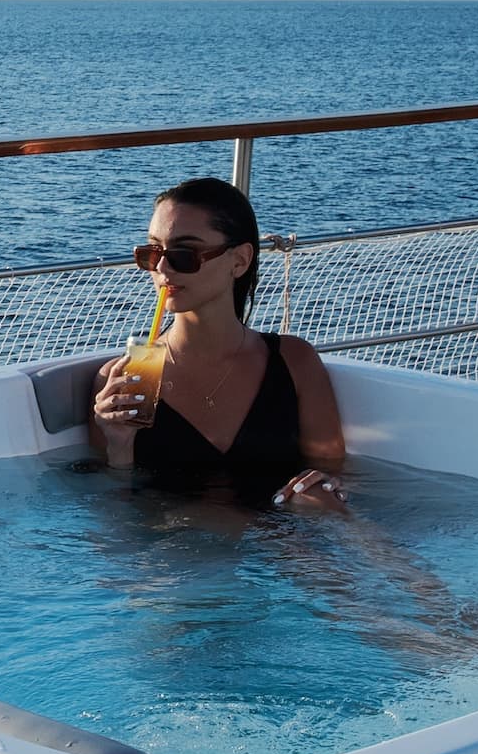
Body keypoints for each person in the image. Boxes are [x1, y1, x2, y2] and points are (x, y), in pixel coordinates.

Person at [89, 177, 348, 512]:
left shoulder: (294, 362)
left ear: (239, 261)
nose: (163, 268)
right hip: (171, 551)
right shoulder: (121, 381)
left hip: (281, 549)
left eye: (185, 253)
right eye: (152, 253)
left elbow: (334, 472)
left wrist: (323, 488)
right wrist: (118, 445)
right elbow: (113, 513)